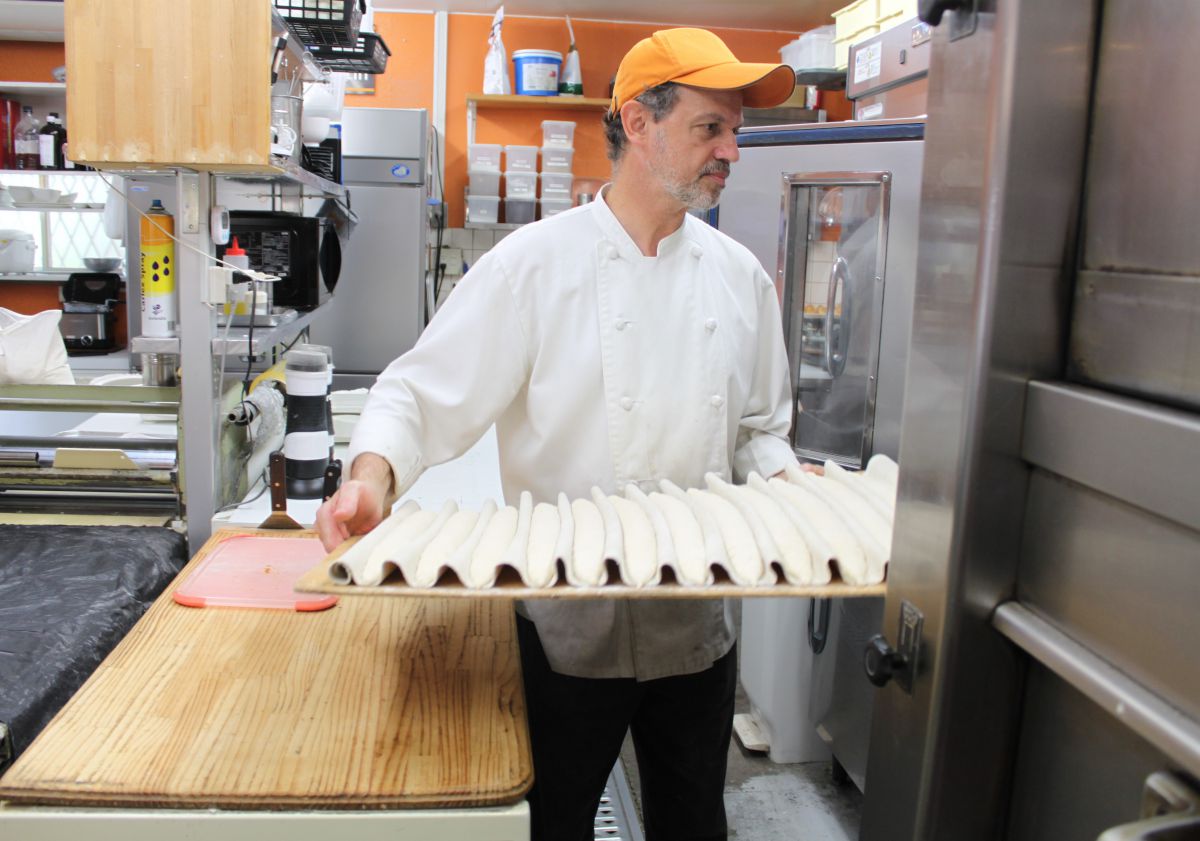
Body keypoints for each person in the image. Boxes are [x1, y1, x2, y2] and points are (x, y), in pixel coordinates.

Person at [316, 28, 799, 841]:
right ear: (638, 123)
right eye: (710, 128)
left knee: (693, 824)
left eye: (734, 131)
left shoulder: (739, 277)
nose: (732, 151)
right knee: (555, 824)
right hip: (568, 634)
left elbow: (759, 429)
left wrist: (790, 490)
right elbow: (419, 396)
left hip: (695, 629)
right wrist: (369, 478)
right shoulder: (533, 267)